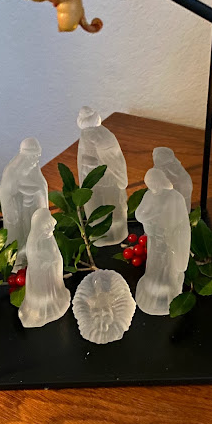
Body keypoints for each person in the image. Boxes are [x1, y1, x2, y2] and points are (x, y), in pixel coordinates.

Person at [135, 168, 190, 315]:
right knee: (155, 263)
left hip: (170, 240)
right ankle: (153, 283)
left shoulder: (175, 198)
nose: (153, 188)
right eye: (150, 185)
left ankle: (169, 286)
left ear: (160, 182)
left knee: (168, 263)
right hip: (154, 239)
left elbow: (181, 224)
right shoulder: (149, 195)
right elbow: (139, 214)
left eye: (154, 184)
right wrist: (151, 216)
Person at [77, 106, 128, 246]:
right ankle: (100, 235)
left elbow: (112, 157)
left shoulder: (102, 136)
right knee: (97, 206)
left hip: (107, 177)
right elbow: (84, 158)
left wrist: (94, 162)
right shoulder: (86, 134)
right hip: (94, 180)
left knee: (112, 205)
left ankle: (116, 232)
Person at [0, 137, 48, 269]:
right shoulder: (12, 171)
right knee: (21, 235)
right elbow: (7, 190)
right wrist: (13, 207)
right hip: (18, 210)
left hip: (32, 208)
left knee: (33, 229)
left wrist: (38, 194)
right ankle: (19, 258)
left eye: (37, 156)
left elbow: (41, 185)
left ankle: (36, 252)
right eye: (33, 157)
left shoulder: (34, 168)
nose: (36, 160)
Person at [19, 208, 70, 328]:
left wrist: (55, 261)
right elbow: (35, 260)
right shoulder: (33, 242)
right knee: (43, 295)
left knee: (54, 292)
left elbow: (55, 252)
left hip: (52, 273)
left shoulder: (49, 238)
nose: (50, 233)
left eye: (51, 230)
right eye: (47, 230)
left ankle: (56, 300)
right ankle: (43, 311)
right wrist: (47, 262)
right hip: (42, 277)